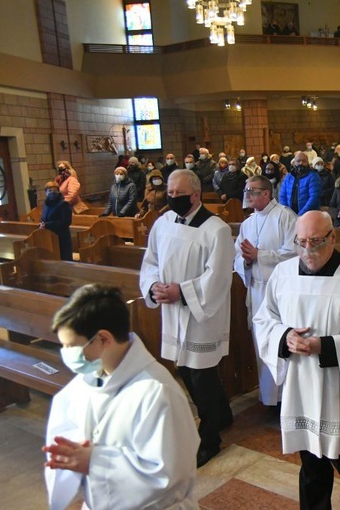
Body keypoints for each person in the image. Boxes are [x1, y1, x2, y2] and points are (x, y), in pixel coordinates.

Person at [252, 211, 340, 509]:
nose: (307, 251)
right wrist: (285, 336)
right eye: (300, 242)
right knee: (312, 469)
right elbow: (265, 319)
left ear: (332, 237)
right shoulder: (283, 273)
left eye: (314, 242)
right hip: (301, 385)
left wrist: (323, 346)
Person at [44, 285, 198, 510]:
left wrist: (94, 461)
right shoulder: (88, 380)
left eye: (71, 347)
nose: (67, 355)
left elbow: (168, 475)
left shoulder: (157, 392)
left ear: (103, 339)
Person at [139, 169, 235, 468]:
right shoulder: (163, 223)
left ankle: (209, 439)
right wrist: (153, 286)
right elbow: (151, 261)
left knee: (201, 374)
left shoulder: (216, 230)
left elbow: (218, 277)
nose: (170, 199)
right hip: (171, 310)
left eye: (176, 195)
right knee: (185, 368)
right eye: (168, 193)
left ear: (194, 195)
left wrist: (181, 291)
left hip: (201, 314)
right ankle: (222, 415)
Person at [234, 175, 297, 409]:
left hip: (281, 294)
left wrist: (259, 255)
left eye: (252, 190)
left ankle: (287, 399)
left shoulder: (285, 216)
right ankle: (270, 398)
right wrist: (247, 262)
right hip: (257, 290)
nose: (247, 195)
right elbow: (237, 258)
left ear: (266, 193)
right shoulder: (247, 223)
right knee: (262, 343)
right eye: (246, 190)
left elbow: (294, 253)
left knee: (281, 343)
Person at [279, 151, 322, 215]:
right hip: (290, 214)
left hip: (308, 214)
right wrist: (287, 212)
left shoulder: (313, 176)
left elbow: (314, 197)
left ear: (307, 162)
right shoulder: (289, 176)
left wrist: (301, 214)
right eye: (298, 161)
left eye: (304, 161)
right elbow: (282, 196)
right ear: (294, 163)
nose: (301, 163)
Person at [40, 181, 73, 261]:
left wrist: (47, 225)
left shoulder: (63, 204)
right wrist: (42, 224)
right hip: (49, 238)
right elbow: (44, 218)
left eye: (55, 191)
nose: (52, 193)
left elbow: (65, 222)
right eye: (50, 191)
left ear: (58, 191)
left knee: (63, 260)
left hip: (61, 238)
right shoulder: (46, 205)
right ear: (46, 192)